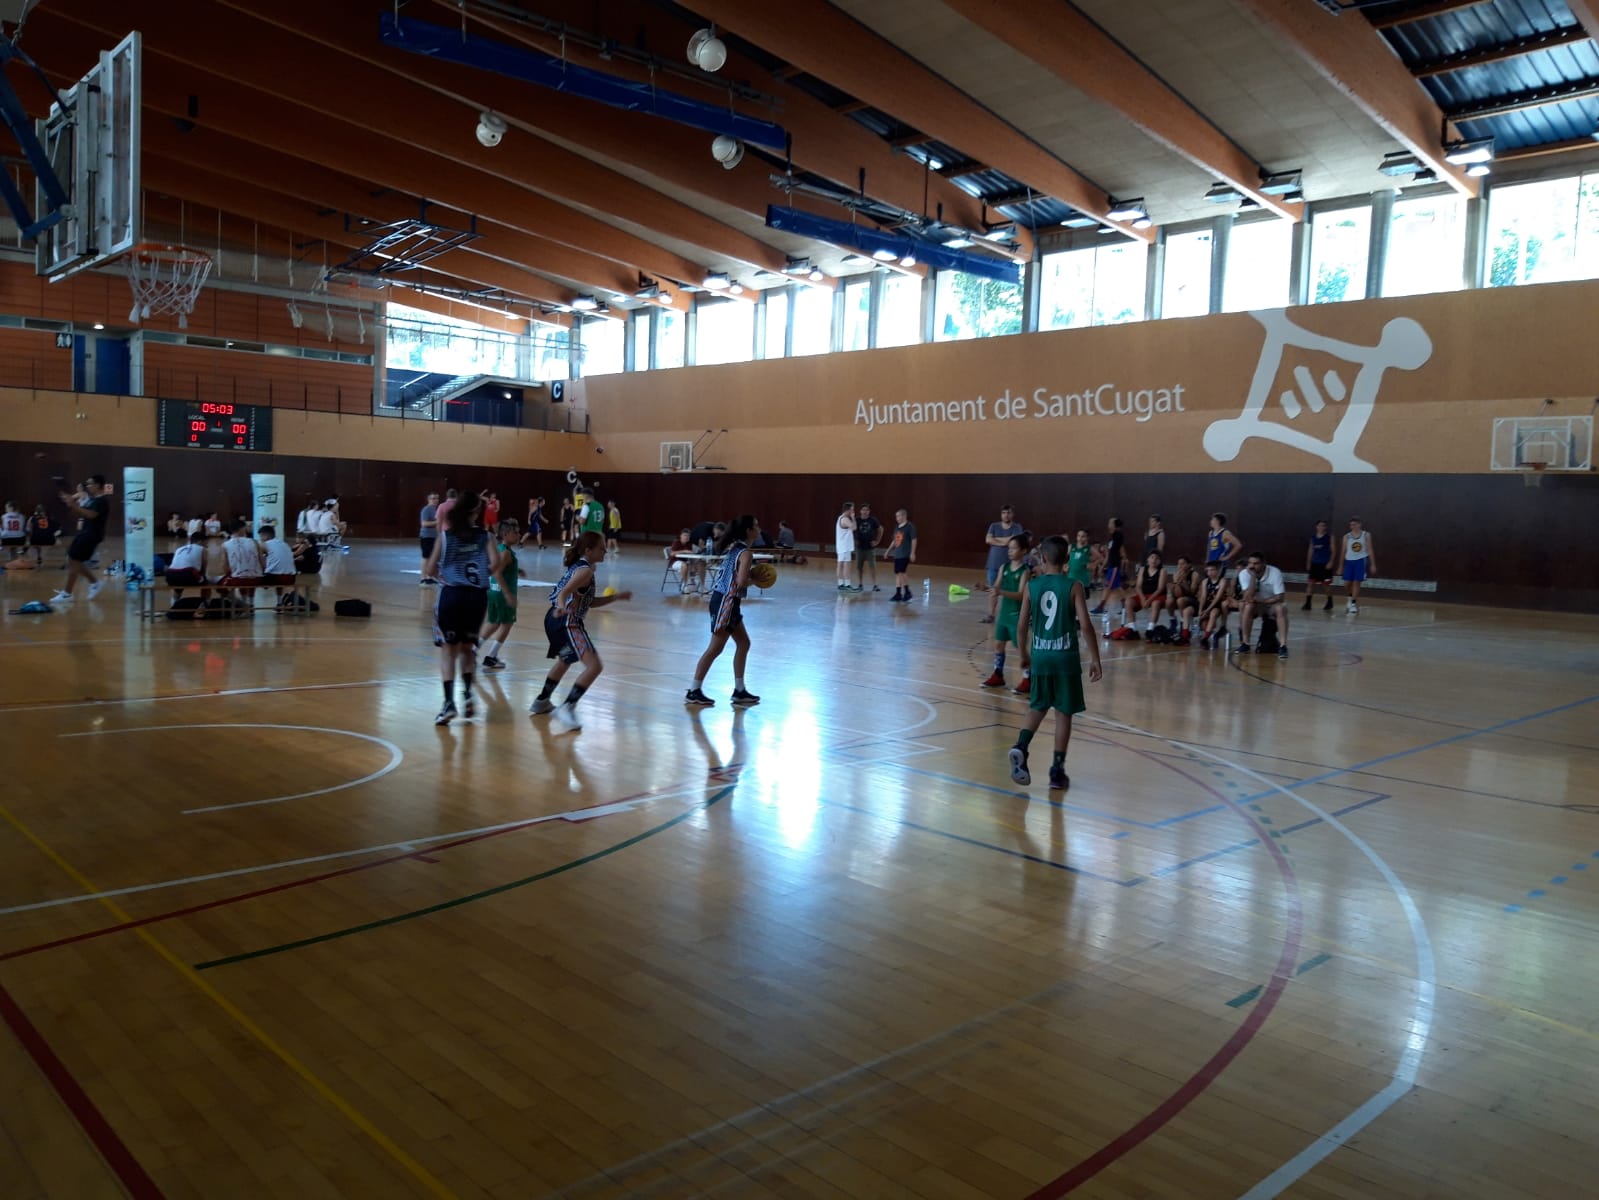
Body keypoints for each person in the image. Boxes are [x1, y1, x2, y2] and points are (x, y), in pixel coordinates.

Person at [1007, 535, 1103, 791]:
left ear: (1043, 558)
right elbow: (1085, 625)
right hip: (1065, 659)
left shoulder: (1032, 586)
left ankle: (1021, 746)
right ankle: (1056, 771)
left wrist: (1024, 655)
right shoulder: (1074, 586)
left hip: (1040, 656)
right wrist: (1095, 658)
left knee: (1037, 706)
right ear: (1068, 560)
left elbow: (1020, 627)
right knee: (1063, 713)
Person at [530, 530, 631, 731]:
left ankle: (542, 701)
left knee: (566, 659)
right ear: (588, 550)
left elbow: (589, 602)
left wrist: (615, 597)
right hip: (566, 621)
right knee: (594, 666)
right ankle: (567, 707)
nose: (605, 550)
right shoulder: (585, 571)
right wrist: (561, 606)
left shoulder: (583, 567)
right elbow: (565, 593)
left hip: (554, 620)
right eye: (602, 548)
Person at [424, 490, 500, 726]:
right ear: (476, 512)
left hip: (452, 594)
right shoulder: (485, 536)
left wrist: (443, 577)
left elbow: (429, 568)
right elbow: (495, 563)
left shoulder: (446, 536)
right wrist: (481, 576)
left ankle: (448, 704)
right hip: (476, 597)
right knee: (468, 648)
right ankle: (467, 694)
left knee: (448, 650)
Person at [686, 515, 762, 708]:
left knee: (744, 643)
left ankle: (739, 690)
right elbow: (741, 582)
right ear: (748, 531)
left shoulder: (735, 548)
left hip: (726, 600)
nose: (759, 528)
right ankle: (694, 691)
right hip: (725, 601)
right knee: (715, 648)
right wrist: (758, 580)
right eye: (756, 526)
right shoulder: (745, 553)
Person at [49, 475, 110, 603]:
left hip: (92, 535)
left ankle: (67, 594)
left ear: (98, 485)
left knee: (74, 560)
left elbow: (91, 515)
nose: (87, 486)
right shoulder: (92, 500)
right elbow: (82, 512)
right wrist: (71, 503)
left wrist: (74, 505)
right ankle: (94, 583)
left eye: (89, 484)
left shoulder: (102, 501)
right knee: (72, 559)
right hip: (85, 532)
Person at [983, 533, 1032, 693]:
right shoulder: (1004, 567)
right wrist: (986, 588)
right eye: (1009, 548)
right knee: (998, 645)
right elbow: (996, 587)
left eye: (1014, 548)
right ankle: (998, 675)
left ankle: (1028, 678)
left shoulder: (1025, 571)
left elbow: (1020, 594)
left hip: (1017, 615)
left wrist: (1001, 592)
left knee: (1020, 649)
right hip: (1004, 613)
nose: (1010, 551)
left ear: (1024, 550)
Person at [480, 519, 520, 671]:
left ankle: (474, 650)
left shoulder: (499, 549)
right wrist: (508, 594)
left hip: (493, 592)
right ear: (505, 534)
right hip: (501, 594)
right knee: (506, 624)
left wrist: (518, 571)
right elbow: (497, 573)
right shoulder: (506, 553)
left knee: (494, 623)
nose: (518, 535)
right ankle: (491, 657)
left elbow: (498, 569)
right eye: (515, 533)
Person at [1237, 551, 1290, 659]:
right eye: (1250, 563)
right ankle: (1245, 643)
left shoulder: (1275, 572)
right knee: (1247, 606)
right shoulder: (1244, 573)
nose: (1252, 566)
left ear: (1263, 564)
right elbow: (1247, 597)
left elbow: (1280, 597)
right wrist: (1253, 577)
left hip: (1271, 605)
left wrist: (1261, 601)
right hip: (1256, 605)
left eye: (1256, 563)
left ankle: (1283, 646)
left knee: (1281, 608)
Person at [1335, 517, 1375, 614]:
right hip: (1349, 561)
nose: (1352, 526)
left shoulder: (1366, 535)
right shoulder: (1347, 536)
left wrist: (1373, 564)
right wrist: (1340, 566)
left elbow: (1370, 549)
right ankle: (1350, 596)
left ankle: (1353, 604)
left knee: (1356, 582)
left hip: (1361, 560)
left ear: (1359, 524)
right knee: (1347, 583)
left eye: (1354, 524)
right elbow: (1343, 551)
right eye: (1351, 525)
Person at [1123, 552, 1167, 635]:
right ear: (1148, 559)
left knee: (1155, 603)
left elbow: (1160, 589)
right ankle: (1133, 628)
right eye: (1152, 557)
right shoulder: (1142, 569)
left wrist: (1149, 600)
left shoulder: (1162, 571)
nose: (1154, 560)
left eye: (1157, 558)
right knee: (1128, 602)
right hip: (1144, 595)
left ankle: (1150, 628)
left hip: (1157, 595)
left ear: (1160, 561)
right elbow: (1138, 587)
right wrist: (1143, 599)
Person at [983, 505, 1022, 597]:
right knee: (992, 590)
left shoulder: (1017, 527)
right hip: (993, 565)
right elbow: (988, 540)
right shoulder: (994, 525)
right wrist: (1004, 542)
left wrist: (995, 539)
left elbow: (1014, 540)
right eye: (1003, 513)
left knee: (1009, 591)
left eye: (1008, 513)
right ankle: (992, 611)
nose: (1006, 515)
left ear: (1013, 514)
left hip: (1009, 566)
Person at [1091, 516, 1126, 617]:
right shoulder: (1112, 537)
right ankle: (1125, 605)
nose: (1108, 525)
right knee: (1117, 587)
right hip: (1111, 565)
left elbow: (1119, 551)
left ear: (1115, 526)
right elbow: (1109, 554)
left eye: (1110, 523)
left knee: (1108, 586)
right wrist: (1103, 566)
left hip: (1115, 565)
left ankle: (1101, 607)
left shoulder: (1118, 535)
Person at [221, 520, 264, 605]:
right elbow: (262, 562)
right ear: (242, 529)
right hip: (256, 579)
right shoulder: (254, 542)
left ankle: (244, 603)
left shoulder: (225, 545)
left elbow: (225, 567)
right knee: (252, 574)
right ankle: (251, 603)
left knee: (225, 580)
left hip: (238, 580)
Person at [1195, 562, 1235, 650]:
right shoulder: (1205, 581)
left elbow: (1217, 597)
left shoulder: (1222, 581)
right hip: (1207, 604)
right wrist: (1200, 610)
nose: (1209, 572)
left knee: (1213, 613)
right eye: (1208, 570)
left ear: (1218, 571)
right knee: (1205, 624)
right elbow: (1203, 597)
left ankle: (1205, 639)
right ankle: (1207, 635)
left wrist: (1208, 610)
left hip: (1217, 604)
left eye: (1212, 570)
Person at [165, 529, 209, 602]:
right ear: (200, 541)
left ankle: (174, 606)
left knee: (177, 587)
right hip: (187, 574)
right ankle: (204, 606)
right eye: (206, 543)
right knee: (207, 585)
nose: (207, 545)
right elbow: (204, 569)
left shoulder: (179, 549)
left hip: (170, 575)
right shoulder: (203, 549)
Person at [1303, 519, 1335, 611]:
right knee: (1310, 584)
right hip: (1314, 564)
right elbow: (1310, 550)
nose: (1321, 527)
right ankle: (1308, 603)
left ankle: (1330, 602)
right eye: (1320, 525)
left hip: (1325, 565)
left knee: (1326, 585)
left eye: (1323, 525)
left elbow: (1334, 550)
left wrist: (1331, 562)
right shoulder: (1313, 538)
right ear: (1316, 527)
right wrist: (1308, 563)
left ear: (1325, 527)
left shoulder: (1329, 537)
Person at [886, 508, 917, 602]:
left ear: (904, 516)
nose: (897, 518)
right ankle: (898, 593)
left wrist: (912, 552)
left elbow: (914, 540)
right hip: (897, 554)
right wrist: (888, 551)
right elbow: (895, 540)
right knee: (898, 573)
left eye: (898, 516)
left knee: (901, 572)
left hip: (905, 554)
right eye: (896, 516)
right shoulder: (897, 527)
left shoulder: (909, 526)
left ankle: (907, 592)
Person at [1166, 555, 1199, 640]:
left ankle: (1183, 623)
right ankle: (1173, 620)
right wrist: (1172, 588)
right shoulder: (1176, 574)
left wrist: (1184, 581)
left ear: (1189, 565)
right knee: (1169, 601)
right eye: (1178, 564)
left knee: (1180, 601)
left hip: (1193, 599)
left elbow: (1192, 592)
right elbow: (1176, 591)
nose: (1180, 566)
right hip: (1180, 597)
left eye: (1183, 563)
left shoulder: (1194, 574)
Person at [854, 502, 883, 592]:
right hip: (860, 547)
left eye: (867, 510)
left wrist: (877, 541)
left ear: (869, 511)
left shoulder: (873, 520)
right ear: (860, 511)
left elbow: (880, 529)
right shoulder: (857, 520)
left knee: (872, 566)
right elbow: (850, 530)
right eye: (863, 510)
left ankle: (874, 585)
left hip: (870, 547)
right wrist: (854, 540)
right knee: (859, 566)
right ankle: (860, 584)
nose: (865, 511)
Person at [835, 501, 858, 591]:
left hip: (842, 546)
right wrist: (853, 518)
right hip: (845, 546)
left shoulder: (840, 518)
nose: (853, 511)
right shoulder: (845, 519)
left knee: (840, 564)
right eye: (852, 509)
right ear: (848, 510)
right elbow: (854, 527)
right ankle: (847, 585)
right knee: (846, 565)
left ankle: (841, 584)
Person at [419, 492, 440, 585]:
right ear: (428, 500)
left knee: (432, 558)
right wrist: (437, 522)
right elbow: (424, 524)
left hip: (433, 537)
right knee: (426, 557)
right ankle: (423, 578)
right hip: (426, 536)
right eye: (433, 498)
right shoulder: (426, 509)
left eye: (436, 498)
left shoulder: (435, 510)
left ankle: (429, 577)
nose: (435, 500)